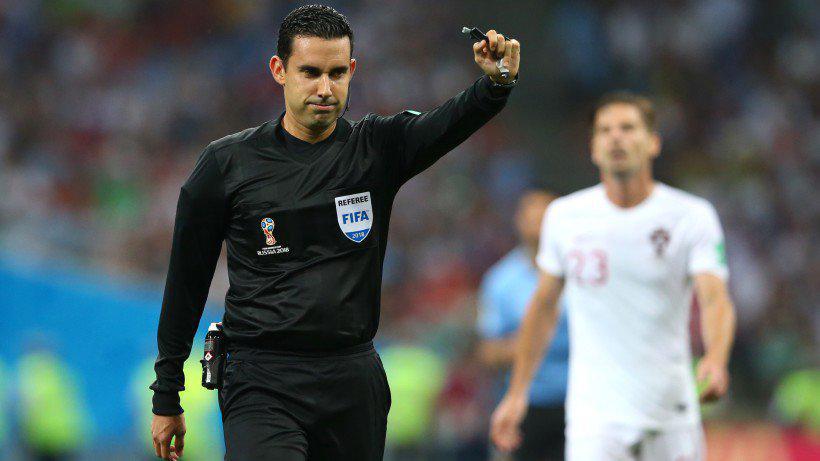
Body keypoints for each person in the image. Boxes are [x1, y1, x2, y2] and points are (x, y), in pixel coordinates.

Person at [149, 4, 520, 461]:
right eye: (310, 72)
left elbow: (446, 122)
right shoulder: (227, 164)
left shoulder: (376, 148)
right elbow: (186, 282)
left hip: (351, 380)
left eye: (337, 73)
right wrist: (167, 393)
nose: (325, 88)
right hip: (261, 378)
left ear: (352, 71)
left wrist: (495, 84)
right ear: (279, 70)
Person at [490, 92, 737, 460]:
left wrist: (715, 358)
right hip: (595, 418)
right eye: (605, 131)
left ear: (653, 142)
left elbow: (714, 297)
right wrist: (517, 393)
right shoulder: (565, 217)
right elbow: (543, 308)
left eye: (628, 128)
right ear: (593, 148)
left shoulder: (690, 216)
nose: (616, 138)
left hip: (671, 411)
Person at [477, 191, 569, 461]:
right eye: (532, 217)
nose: (538, 224)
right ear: (518, 222)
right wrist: (534, 340)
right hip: (527, 405)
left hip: (580, 403)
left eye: (545, 217)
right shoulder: (501, 281)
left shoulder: (582, 272)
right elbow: (488, 353)